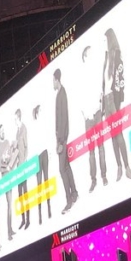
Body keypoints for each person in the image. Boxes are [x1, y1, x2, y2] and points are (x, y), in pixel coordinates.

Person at [102, 28, 131, 181]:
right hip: (106, 99)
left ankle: (127, 166)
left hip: (113, 100)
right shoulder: (106, 57)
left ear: (110, 39)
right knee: (113, 136)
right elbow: (103, 82)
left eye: (105, 40)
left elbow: (120, 81)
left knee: (119, 134)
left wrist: (117, 102)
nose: (104, 43)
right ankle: (119, 167)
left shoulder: (116, 56)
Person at [80, 45, 108, 192]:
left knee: (101, 146)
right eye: (89, 54)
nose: (91, 56)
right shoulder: (81, 76)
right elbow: (80, 99)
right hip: (88, 118)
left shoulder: (94, 72)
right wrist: (85, 114)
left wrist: (99, 105)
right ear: (84, 56)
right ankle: (93, 180)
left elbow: (100, 91)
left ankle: (104, 176)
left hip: (97, 114)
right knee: (91, 151)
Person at [53, 68, 79, 214]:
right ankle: (74, 193)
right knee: (66, 166)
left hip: (62, 138)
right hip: (60, 137)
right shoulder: (59, 94)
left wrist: (61, 141)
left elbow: (63, 118)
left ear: (57, 80)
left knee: (61, 169)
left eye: (53, 81)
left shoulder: (62, 94)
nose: (52, 83)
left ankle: (69, 200)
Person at [0, 124, 16, 243]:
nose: (3, 132)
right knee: (9, 203)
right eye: (1, 131)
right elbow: (0, 166)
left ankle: (10, 229)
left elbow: (11, 157)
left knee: (10, 204)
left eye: (4, 130)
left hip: (11, 175)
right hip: (5, 177)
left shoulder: (8, 143)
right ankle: (8, 232)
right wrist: (6, 167)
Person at [13, 110, 29, 230]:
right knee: (20, 195)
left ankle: (28, 219)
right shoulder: (17, 132)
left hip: (23, 166)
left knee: (25, 193)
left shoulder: (23, 129)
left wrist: (24, 162)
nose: (15, 121)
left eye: (16, 119)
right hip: (18, 167)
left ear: (19, 118)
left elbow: (26, 146)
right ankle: (23, 219)